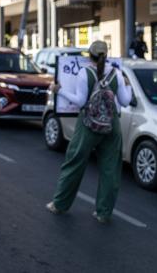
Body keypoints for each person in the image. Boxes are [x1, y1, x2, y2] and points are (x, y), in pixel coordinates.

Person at [46, 40, 132, 223]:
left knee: (74, 163)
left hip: (88, 125)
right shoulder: (117, 73)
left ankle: (59, 204)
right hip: (112, 125)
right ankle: (103, 213)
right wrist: (128, 85)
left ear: (89, 55)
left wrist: (59, 91)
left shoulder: (85, 73)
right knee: (110, 170)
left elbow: (79, 101)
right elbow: (124, 102)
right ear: (107, 55)